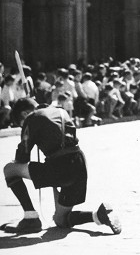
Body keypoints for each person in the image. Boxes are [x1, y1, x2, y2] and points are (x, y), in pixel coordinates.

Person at [2, 98, 121, 235]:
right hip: (79, 164)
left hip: (60, 166)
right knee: (61, 220)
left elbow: (22, 157)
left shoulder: (32, 117)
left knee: (9, 169)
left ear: (24, 114)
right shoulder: (60, 111)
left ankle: (31, 218)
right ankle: (98, 215)